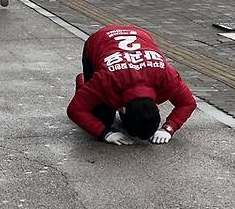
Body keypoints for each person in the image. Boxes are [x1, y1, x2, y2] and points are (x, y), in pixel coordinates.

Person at [67, 25, 197, 145]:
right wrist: (105, 133)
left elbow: (188, 103)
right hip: (100, 39)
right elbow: (75, 109)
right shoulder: (104, 81)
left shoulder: (166, 77)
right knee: (102, 119)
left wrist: (168, 128)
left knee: (140, 119)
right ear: (122, 108)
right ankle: (84, 83)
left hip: (139, 35)